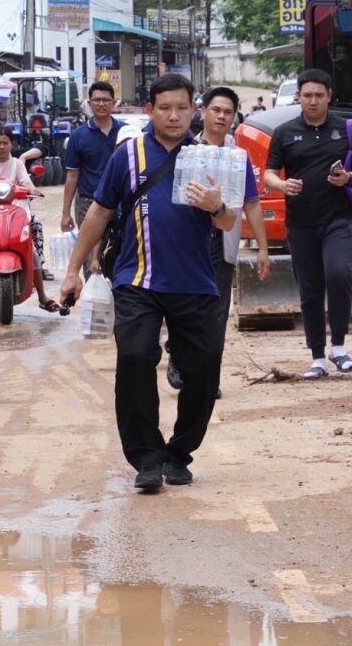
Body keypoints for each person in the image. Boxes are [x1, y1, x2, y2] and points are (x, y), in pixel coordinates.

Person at [58, 74, 256, 491]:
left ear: (193, 111)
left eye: (182, 108)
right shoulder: (126, 157)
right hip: (137, 280)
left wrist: (216, 205)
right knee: (134, 357)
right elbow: (98, 214)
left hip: (196, 282)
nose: (174, 115)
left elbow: (227, 221)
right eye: (165, 108)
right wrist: (74, 269)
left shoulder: (211, 158)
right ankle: (146, 458)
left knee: (203, 369)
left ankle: (179, 452)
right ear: (150, 110)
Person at [263, 68, 352, 379]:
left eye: (319, 95)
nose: (312, 101)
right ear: (298, 97)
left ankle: (339, 346)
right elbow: (268, 173)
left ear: (329, 97)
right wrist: (283, 186)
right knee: (310, 289)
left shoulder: (347, 127)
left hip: (338, 218)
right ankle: (318, 357)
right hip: (300, 223)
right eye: (307, 95)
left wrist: (348, 178)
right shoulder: (284, 132)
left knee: (339, 274)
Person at [165, 86, 271, 396]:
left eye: (228, 112)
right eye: (216, 110)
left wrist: (263, 248)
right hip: (185, 246)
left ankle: (209, 379)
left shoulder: (239, 158)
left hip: (221, 244)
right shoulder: (184, 151)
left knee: (216, 313)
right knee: (184, 309)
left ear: (235, 117)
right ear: (203, 112)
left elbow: (251, 203)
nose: (222, 116)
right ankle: (179, 354)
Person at [0, 125, 60, 313]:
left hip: (16, 212)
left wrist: (32, 190)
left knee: (33, 242)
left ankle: (42, 295)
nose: (1, 147)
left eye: (5, 143)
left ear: (12, 144)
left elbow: (26, 182)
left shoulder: (17, 163)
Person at [61, 82, 124, 264]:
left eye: (106, 100)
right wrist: (66, 213)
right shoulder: (78, 136)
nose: (101, 104)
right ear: (89, 104)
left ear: (114, 103)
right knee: (91, 260)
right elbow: (72, 176)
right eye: (97, 100)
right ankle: (92, 292)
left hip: (123, 202)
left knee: (123, 253)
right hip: (89, 203)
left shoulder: (126, 132)